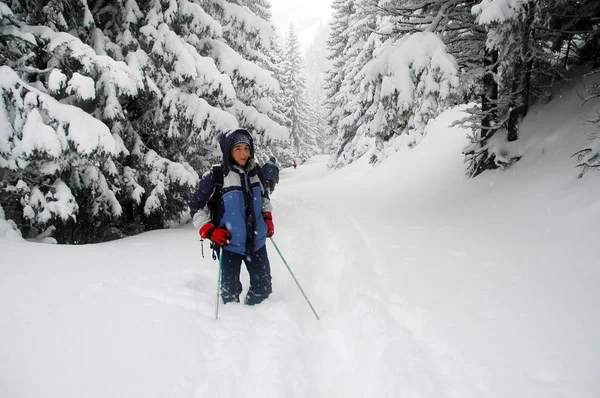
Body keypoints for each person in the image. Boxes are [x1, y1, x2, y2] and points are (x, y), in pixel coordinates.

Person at [189, 128, 275, 305]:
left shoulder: (256, 172)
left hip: (257, 243)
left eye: (247, 148)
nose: (244, 153)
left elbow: (265, 200)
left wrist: (267, 219)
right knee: (229, 294)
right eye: (238, 148)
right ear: (229, 150)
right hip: (228, 246)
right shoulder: (217, 176)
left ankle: (256, 319)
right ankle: (234, 325)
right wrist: (210, 231)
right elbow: (196, 208)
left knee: (263, 288)